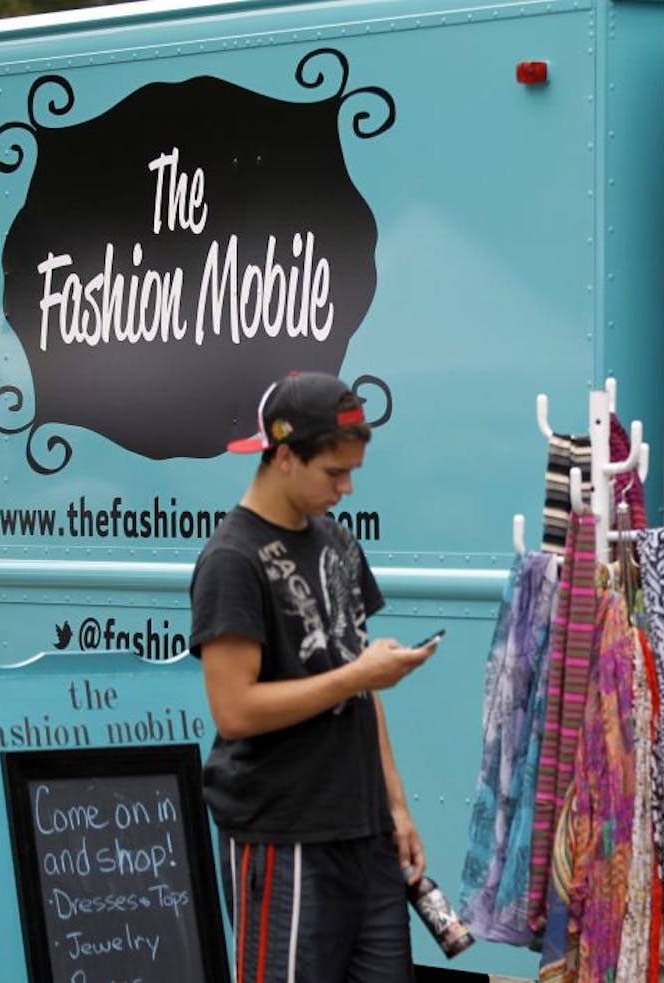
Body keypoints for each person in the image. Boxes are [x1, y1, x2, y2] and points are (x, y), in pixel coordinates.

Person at [189, 370, 438, 981]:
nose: (347, 488)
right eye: (334, 473)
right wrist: (358, 677)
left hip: (364, 830)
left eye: (353, 471)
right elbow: (235, 710)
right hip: (281, 832)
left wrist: (397, 807)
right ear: (282, 456)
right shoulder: (231, 559)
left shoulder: (338, 541)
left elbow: (361, 677)